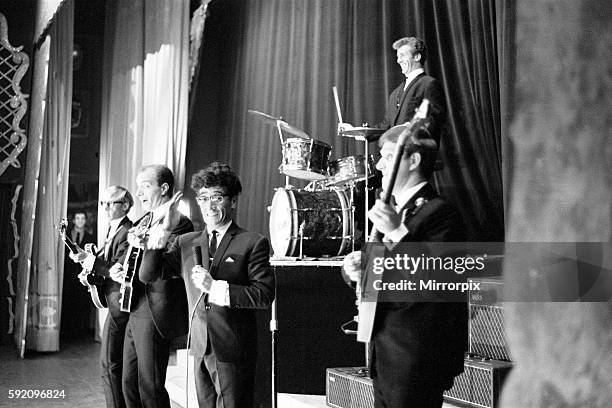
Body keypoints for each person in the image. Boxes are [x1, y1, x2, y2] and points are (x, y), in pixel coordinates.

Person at [342, 123, 467, 408]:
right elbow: (378, 271)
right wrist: (353, 269)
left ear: (413, 160)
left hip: (417, 355)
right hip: (385, 353)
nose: (380, 166)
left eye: (387, 157)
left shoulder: (440, 213)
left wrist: (398, 233)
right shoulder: (393, 210)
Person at [140, 162, 275, 408]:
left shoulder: (253, 242)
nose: (209, 205)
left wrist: (215, 288)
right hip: (200, 347)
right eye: (203, 198)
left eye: (216, 197)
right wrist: (163, 231)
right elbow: (148, 275)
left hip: (232, 350)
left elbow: (263, 295)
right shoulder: (186, 241)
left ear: (233, 201)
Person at [122, 165, 193, 408]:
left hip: (154, 310)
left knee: (150, 386)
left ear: (164, 188)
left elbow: (161, 268)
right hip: (135, 304)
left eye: (146, 185)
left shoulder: (180, 223)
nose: (139, 192)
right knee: (129, 382)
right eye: (138, 185)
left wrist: (156, 239)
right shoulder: (144, 220)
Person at [68, 186, 134, 408]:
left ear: (125, 205)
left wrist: (89, 260)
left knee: (110, 365)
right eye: (102, 203)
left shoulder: (128, 231)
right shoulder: (113, 228)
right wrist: (88, 263)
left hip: (121, 305)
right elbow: (106, 263)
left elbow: (119, 269)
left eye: (111, 203)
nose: (105, 208)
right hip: (114, 302)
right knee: (112, 365)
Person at [340, 36, 446, 142]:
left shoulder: (429, 84)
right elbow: (386, 127)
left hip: (415, 155)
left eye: (402, 55)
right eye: (397, 56)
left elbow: (435, 121)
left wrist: (410, 127)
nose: (398, 61)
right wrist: (354, 131)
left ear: (417, 56)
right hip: (393, 155)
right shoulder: (395, 93)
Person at [61, 208, 97, 336]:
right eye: (77, 218)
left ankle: (80, 331)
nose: (80, 221)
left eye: (82, 218)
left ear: (86, 220)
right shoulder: (67, 236)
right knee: (68, 300)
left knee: (82, 302)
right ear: (73, 220)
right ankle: (66, 330)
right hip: (68, 274)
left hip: (83, 274)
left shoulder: (90, 237)